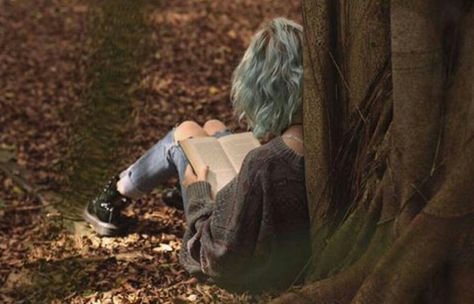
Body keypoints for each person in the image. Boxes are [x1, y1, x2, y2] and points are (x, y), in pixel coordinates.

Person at [84, 17, 309, 292]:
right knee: (213, 127)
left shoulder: (262, 162)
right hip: (269, 225)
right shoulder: (321, 139)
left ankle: (115, 195)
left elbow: (215, 257)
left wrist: (198, 194)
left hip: (254, 269)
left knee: (184, 135)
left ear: (261, 86)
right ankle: (131, 191)